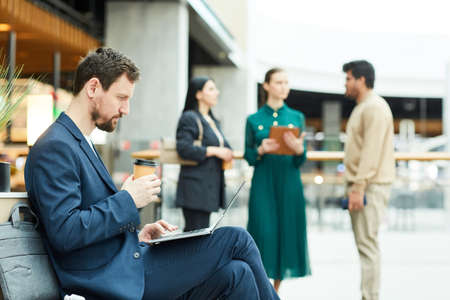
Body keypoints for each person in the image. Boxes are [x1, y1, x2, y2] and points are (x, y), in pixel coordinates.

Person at [24, 47, 279, 300]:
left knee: (238, 273)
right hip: (113, 278)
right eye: (121, 98)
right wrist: (128, 200)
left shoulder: (79, 141)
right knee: (237, 239)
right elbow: (66, 232)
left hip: (128, 261)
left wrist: (137, 234)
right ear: (93, 88)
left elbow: (86, 218)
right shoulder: (55, 147)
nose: (126, 110)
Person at [244, 68, 311, 293]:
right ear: (266, 86)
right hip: (263, 183)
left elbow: (300, 160)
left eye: (286, 82)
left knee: (286, 232)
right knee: (263, 231)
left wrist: (299, 149)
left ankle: (275, 292)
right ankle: (260, 288)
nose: (284, 87)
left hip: (290, 183)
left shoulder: (296, 117)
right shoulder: (253, 119)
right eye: (279, 82)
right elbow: (249, 156)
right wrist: (261, 149)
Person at [342, 60, 395, 300]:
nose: (346, 83)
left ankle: (370, 297)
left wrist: (358, 187)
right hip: (366, 185)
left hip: (369, 187)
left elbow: (371, 152)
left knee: (368, 247)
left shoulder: (373, 107)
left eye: (348, 78)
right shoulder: (364, 106)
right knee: (366, 245)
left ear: (361, 80)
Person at [175, 77, 233, 231]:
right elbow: (183, 148)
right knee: (194, 235)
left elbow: (225, 146)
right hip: (195, 188)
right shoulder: (190, 117)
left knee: (201, 235)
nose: (217, 93)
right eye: (211, 89)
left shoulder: (212, 120)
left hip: (208, 187)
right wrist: (214, 151)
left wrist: (225, 151)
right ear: (198, 94)